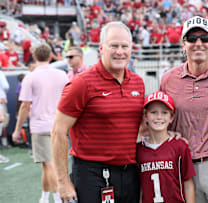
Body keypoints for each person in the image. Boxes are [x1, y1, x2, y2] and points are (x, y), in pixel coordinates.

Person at [51, 21, 144, 203]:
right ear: (101, 48)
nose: (119, 51)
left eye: (124, 46)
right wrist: (62, 182)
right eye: (113, 46)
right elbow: (58, 131)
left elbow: (139, 127)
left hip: (129, 174)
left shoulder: (138, 83)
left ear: (131, 49)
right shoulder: (82, 83)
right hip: (92, 174)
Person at [160, 16, 208, 203]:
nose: (198, 44)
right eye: (192, 39)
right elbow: (161, 118)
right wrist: (167, 134)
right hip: (181, 166)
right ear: (183, 44)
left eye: (205, 38)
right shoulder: (169, 79)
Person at [11, 43, 68, 203]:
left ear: (34, 57)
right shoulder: (62, 74)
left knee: (49, 164)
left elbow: (24, 106)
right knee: (47, 165)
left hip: (40, 127)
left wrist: (16, 130)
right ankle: (44, 197)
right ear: (50, 56)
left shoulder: (30, 77)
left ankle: (58, 199)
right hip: (59, 125)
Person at [137, 91, 196, 203]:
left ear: (171, 117)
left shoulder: (180, 146)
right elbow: (140, 187)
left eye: (164, 113)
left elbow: (188, 183)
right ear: (145, 116)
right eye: (153, 112)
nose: (159, 117)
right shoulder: (139, 150)